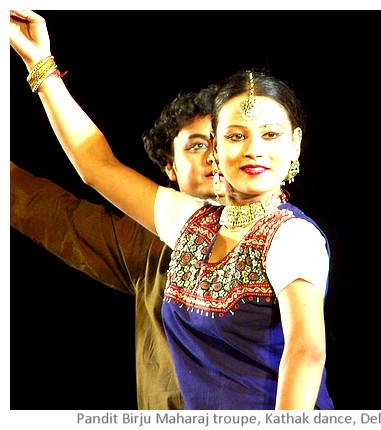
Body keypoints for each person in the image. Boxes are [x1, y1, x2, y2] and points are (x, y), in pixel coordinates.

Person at [10, 9, 333, 410]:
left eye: (271, 135)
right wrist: (39, 63)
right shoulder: (191, 224)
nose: (254, 150)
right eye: (236, 136)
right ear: (215, 147)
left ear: (295, 145)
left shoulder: (292, 237)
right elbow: (97, 166)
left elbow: (307, 352)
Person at [11, 77, 226, 409]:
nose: (213, 156)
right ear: (170, 167)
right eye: (196, 145)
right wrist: (41, 67)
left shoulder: (282, 228)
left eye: (225, 140)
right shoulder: (148, 240)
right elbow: (56, 209)